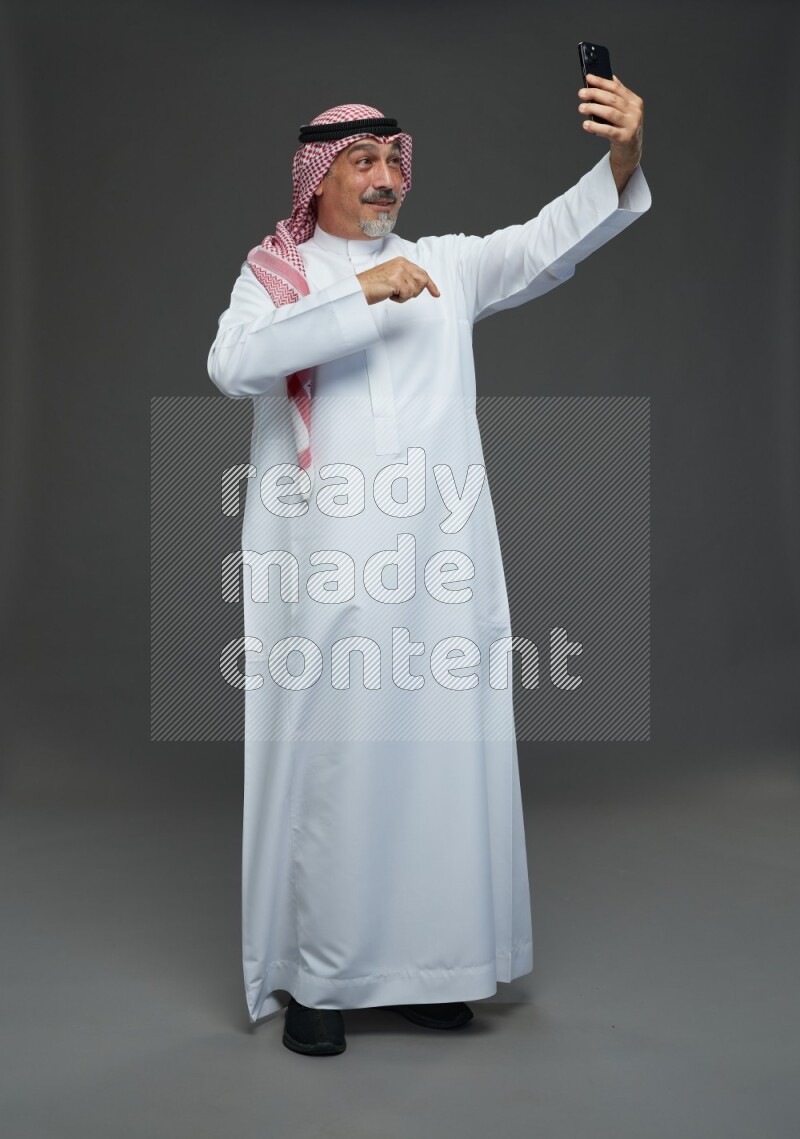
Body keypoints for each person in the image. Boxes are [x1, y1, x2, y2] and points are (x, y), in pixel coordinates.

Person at [207, 81, 649, 1057]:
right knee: (333, 767)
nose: (383, 177)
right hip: (321, 575)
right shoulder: (274, 276)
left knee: (434, 762)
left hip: (434, 568)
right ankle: (317, 977)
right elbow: (234, 362)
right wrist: (356, 292)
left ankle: (428, 966)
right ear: (316, 176)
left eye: (392, 159)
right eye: (361, 161)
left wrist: (617, 161)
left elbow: (542, 242)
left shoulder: (441, 264)